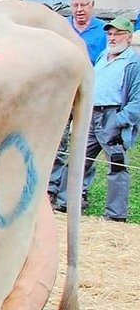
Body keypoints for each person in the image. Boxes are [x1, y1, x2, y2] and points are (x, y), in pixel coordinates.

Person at [54, 17, 140, 222]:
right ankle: (66, 203)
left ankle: (116, 215)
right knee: (78, 159)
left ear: (128, 37)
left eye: (118, 34)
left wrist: (120, 120)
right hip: (92, 114)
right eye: (110, 34)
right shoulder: (104, 55)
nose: (112, 38)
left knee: (117, 165)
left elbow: (138, 99)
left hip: (113, 115)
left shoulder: (133, 62)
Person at [48, 0, 111, 207]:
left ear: (92, 5)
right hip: (64, 93)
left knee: (85, 144)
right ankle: (51, 189)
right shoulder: (61, 28)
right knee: (57, 140)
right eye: (75, 5)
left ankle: (78, 192)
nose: (79, 9)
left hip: (88, 94)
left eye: (83, 5)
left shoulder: (103, 31)